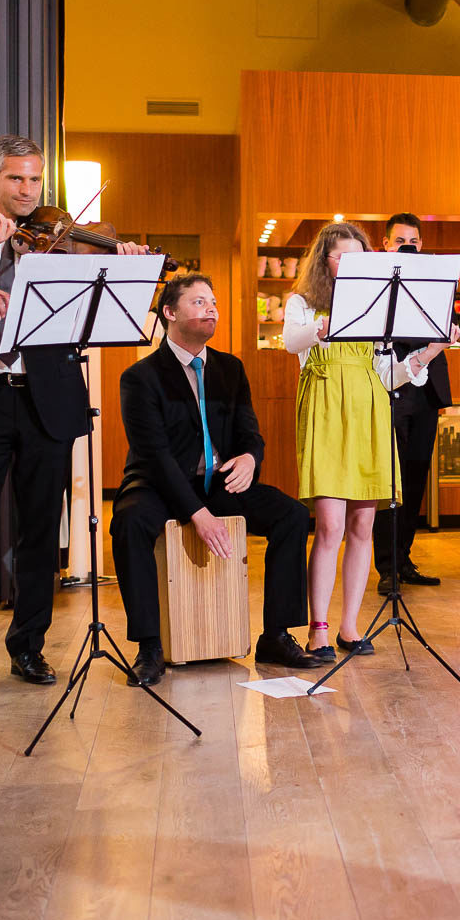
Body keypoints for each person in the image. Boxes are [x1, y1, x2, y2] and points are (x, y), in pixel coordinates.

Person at [0, 135, 140, 687]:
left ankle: (28, 647)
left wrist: (122, 263)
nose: (27, 189)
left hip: (46, 398)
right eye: (16, 178)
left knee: (42, 527)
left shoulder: (62, 246)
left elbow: (92, 311)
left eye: (35, 179)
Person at [109, 274, 320, 685]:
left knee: (292, 514)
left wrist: (249, 459)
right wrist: (197, 513)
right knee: (130, 522)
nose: (211, 309)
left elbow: (250, 433)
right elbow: (154, 455)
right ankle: (149, 646)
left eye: (214, 302)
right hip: (160, 483)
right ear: (169, 313)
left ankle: (276, 634)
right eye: (199, 302)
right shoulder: (140, 377)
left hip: (219, 482)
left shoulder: (230, 367)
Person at [284, 221, 446, 660]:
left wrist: (426, 354)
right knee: (330, 526)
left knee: (361, 526)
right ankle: (318, 629)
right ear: (324, 260)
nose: (348, 264)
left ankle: (349, 627)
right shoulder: (302, 302)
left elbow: (386, 376)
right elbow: (291, 342)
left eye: (357, 257)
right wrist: (328, 322)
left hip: (371, 411)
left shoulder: (377, 314)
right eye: (340, 256)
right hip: (326, 412)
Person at [372, 213, 452, 595]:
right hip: (392, 385)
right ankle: (386, 566)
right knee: (391, 481)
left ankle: (403, 558)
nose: (409, 245)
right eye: (401, 240)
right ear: (386, 244)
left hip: (426, 388)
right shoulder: (376, 285)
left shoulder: (434, 284)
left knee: (416, 478)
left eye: (415, 241)